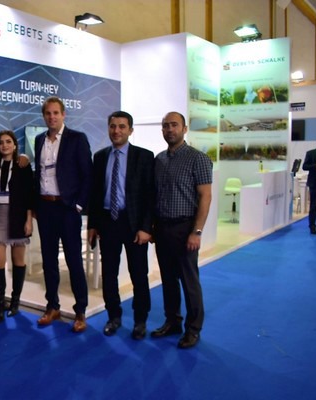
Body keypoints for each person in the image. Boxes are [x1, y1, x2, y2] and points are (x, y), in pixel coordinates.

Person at [87, 111, 154, 340]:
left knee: (139, 274)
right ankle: (113, 316)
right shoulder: (100, 157)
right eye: (113, 126)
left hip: (134, 223)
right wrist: (93, 225)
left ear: (130, 130)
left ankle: (140, 320)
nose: (116, 131)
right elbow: (95, 194)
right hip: (108, 221)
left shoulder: (144, 156)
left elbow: (150, 196)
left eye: (122, 127)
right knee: (109, 274)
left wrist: (146, 227)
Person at [152, 111, 212, 349]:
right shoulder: (159, 159)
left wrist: (197, 231)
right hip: (162, 228)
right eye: (166, 126)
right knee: (168, 280)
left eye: (174, 125)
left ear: (184, 129)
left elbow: (205, 196)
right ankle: (172, 321)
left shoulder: (198, 158)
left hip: (185, 228)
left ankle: (193, 329)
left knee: (189, 281)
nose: (170, 130)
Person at [34, 96, 93, 333]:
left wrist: (78, 206)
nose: (52, 117)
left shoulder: (77, 138)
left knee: (73, 261)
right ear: (44, 116)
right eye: (48, 113)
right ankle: (52, 307)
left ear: (63, 114)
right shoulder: (39, 140)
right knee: (48, 261)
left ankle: (80, 311)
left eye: (56, 113)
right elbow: (39, 173)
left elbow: (88, 176)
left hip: (67, 209)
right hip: (45, 208)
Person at [0, 130, 34, 322]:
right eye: (1, 142)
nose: (4, 145)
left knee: (18, 261)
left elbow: (29, 195)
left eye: (8, 142)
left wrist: (28, 220)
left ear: (14, 145)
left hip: (18, 216)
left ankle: (15, 301)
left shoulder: (23, 165)